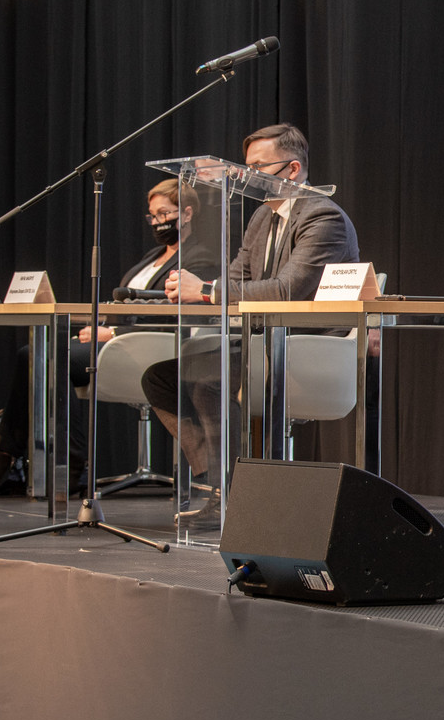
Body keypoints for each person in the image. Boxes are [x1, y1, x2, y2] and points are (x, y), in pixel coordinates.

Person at [141, 123, 359, 522]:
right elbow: (236, 279)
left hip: (305, 347)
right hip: (260, 341)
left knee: (208, 380)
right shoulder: (262, 217)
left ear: (292, 169)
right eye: (245, 167)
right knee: (162, 378)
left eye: (257, 167)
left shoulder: (322, 216)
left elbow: (286, 291)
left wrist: (206, 290)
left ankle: (245, 498)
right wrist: (200, 290)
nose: (246, 176)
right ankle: (218, 484)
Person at [0, 178, 219, 492]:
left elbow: (176, 314)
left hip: (150, 348)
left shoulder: (200, 258)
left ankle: (62, 460)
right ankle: (11, 455)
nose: (157, 222)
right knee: (33, 354)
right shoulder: (153, 256)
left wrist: (112, 331)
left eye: (164, 214)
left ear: (188, 213)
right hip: (115, 340)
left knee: (43, 357)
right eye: (152, 216)